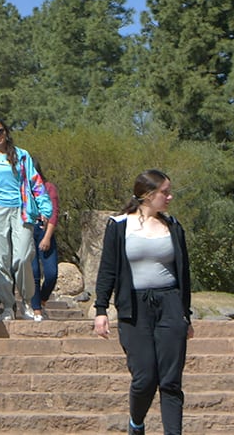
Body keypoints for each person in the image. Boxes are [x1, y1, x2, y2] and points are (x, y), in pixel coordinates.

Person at [94, 170, 192, 435]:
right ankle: (137, 423)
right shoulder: (119, 225)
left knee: (170, 381)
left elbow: (184, 272)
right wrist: (101, 310)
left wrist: (186, 315)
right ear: (148, 195)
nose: (170, 197)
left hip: (170, 304)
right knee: (145, 377)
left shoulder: (173, 225)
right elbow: (108, 270)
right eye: (165, 192)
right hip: (134, 308)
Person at [0, 119, 52, 320]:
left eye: (0, 131)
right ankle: (7, 306)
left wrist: (44, 209)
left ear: (6, 132)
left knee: (23, 257)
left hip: (21, 209)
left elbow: (35, 182)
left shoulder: (22, 156)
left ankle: (27, 302)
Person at [30, 163, 60, 321]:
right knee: (33, 271)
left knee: (51, 273)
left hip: (44, 230)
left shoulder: (49, 188)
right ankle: (36, 310)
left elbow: (54, 213)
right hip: (27, 231)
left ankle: (42, 300)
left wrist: (47, 236)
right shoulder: (21, 190)